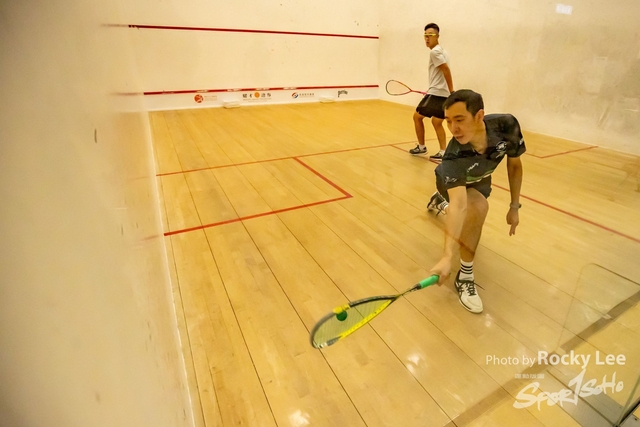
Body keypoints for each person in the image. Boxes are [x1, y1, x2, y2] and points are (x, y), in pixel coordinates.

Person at [427, 89, 525, 314]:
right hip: (449, 181)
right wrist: (447, 256)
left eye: (459, 120)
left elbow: (514, 165)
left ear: (479, 116)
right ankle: (465, 276)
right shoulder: (453, 155)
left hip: (481, 181)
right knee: (476, 207)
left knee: (469, 211)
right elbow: (460, 205)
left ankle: (440, 204)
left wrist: (514, 207)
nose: (453, 129)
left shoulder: (507, 126)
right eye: (449, 121)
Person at [409, 23, 454, 161]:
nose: (427, 38)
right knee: (436, 122)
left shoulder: (434, 52)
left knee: (417, 117)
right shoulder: (442, 50)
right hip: (441, 93)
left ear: (437, 36)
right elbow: (442, 73)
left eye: (430, 35)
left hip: (437, 93)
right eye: (425, 36)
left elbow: (445, 69)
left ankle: (421, 147)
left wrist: (451, 90)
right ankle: (443, 152)